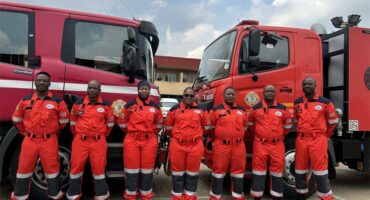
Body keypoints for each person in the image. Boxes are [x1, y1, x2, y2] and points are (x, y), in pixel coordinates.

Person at [11, 71, 69, 200]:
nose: (41, 82)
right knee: (23, 168)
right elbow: (16, 119)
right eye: (39, 80)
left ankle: (54, 195)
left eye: (44, 80)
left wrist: (52, 132)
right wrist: (25, 133)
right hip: (29, 140)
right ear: (35, 82)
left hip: (49, 141)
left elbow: (64, 122)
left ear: (49, 83)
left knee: (52, 169)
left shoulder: (58, 102)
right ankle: (20, 195)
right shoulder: (25, 100)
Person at [66, 80, 114, 200]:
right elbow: (72, 123)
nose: (92, 90)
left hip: (98, 141)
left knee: (99, 168)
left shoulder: (107, 105)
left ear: (100, 90)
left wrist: (100, 135)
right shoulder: (78, 104)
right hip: (80, 140)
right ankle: (74, 195)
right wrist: (79, 135)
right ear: (87, 89)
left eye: (95, 88)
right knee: (76, 167)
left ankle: (101, 195)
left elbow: (110, 124)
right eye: (90, 88)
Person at [117, 79, 163, 200]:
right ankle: (131, 194)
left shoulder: (155, 107)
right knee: (131, 169)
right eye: (142, 88)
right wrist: (132, 132)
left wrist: (150, 134)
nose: (144, 90)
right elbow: (122, 122)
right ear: (138, 90)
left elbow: (159, 124)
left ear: (149, 91)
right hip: (132, 140)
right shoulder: (129, 105)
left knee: (147, 169)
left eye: (146, 89)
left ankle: (146, 193)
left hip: (149, 141)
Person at [294, 77, 338, 200]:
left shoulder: (325, 102)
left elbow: (333, 122)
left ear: (315, 85)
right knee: (300, 169)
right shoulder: (297, 103)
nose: (307, 86)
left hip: (318, 140)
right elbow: (296, 119)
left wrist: (324, 135)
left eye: (309, 84)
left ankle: (325, 197)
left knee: (320, 170)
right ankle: (301, 194)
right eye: (304, 84)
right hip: (301, 140)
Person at [165, 87, 211, 200]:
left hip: (195, 146)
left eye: (191, 95)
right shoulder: (174, 109)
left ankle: (190, 197)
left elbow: (206, 128)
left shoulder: (202, 110)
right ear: (183, 96)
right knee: (177, 173)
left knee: (192, 173)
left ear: (194, 96)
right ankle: (177, 197)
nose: (188, 98)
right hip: (177, 145)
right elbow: (168, 129)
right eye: (186, 95)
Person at [248, 85, 292, 200]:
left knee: (277, 171)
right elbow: (251, 125)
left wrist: (277, 135)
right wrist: (260, 135)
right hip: (260, 144)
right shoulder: (255, 108)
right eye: (267, 91)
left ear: (275, 93)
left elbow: (287, 126)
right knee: (258, 170)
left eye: (272, 91)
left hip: (277, 144)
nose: (270, 93)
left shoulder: (283, 109)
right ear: (263, 93)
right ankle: (257, 196)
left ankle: (276, 196)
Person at [209, 87, 248, 200]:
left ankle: (238, 196)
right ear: (224, 96)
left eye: (232, 94)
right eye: (228, 94)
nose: (231, 96)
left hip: (239, 146)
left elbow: (244, 127)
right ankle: (215, 197)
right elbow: (211, 128)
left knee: (239, 172)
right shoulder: (216, 110)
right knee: (218, 171)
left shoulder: (242, 110)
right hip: (222, 145)